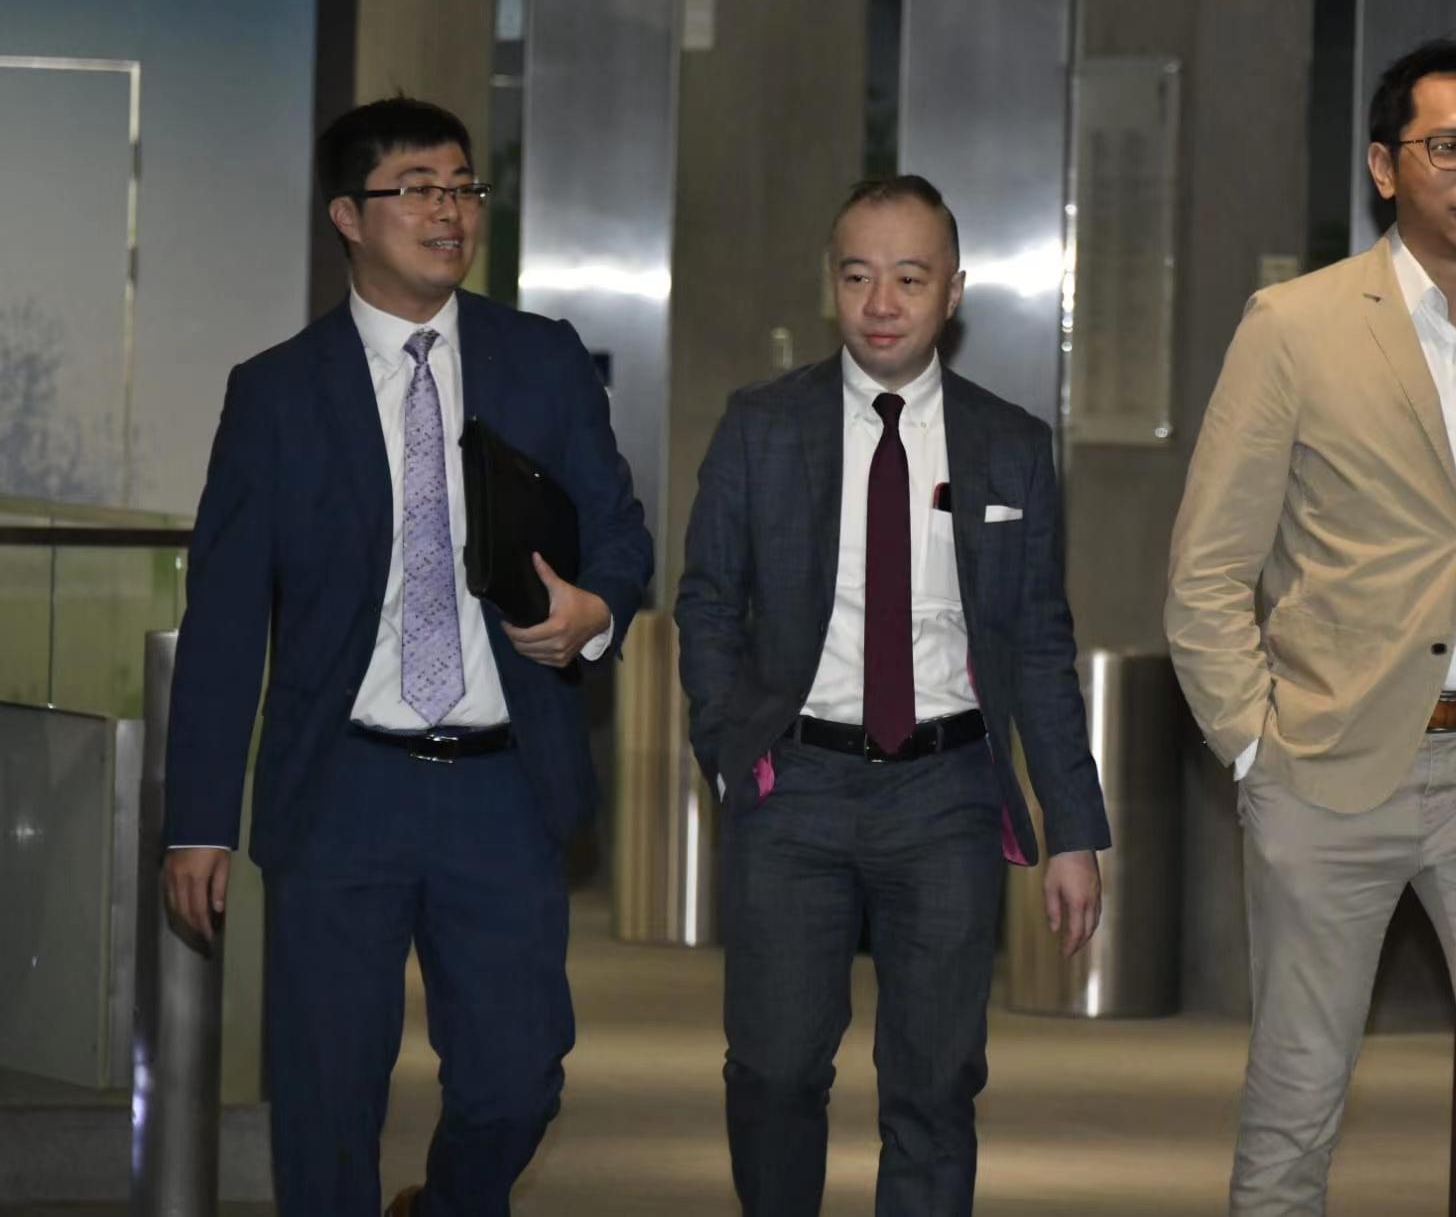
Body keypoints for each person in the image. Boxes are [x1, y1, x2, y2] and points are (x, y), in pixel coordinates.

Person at [160, 97, 654, 1217]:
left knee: (517, 1082)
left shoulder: (542, 360)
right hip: (342, 784)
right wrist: (198, 820)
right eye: (418, 188)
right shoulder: (276, 394)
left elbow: (621, 533)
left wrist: (594, 610)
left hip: (501, 783)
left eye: (463, 186)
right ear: (348, 214)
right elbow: (227, 618)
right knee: (326, 1100)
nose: (450, 211)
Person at [1165, 39, 1456, 1216]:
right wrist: (1254, 748)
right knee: (1297, 1096)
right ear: (1382, 165)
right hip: (1326, 767)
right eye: (1447, 147)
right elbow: (1208, 565)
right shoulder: (1295, 325)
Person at [675, 174, 1111, 1216]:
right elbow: (706, 602)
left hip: (945, 794)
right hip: (796, 786)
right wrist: (731, 750)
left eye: (909, 279)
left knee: (935, 1085)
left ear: (951, 291)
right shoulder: (760, 427)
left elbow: (1040, 645)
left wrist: (1073, 829)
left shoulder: (1010, 445)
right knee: (774, 1070)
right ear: (830, 283)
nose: (881, 303)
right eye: (858, 276)